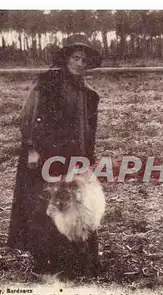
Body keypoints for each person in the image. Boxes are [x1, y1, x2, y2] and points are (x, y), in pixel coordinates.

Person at [7, 41, 102, 275]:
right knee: (45, 205)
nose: (80, 64)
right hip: (45, 154)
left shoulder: (88, 94)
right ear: (66, 59)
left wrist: (89, 158)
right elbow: (30, 115)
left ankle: (75, 259)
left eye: (84, 60)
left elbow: (89, 131)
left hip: (74, 156)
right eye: (76, 58)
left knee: (74, 203)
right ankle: (46, 261)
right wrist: (31, 147)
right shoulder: (47, 84)